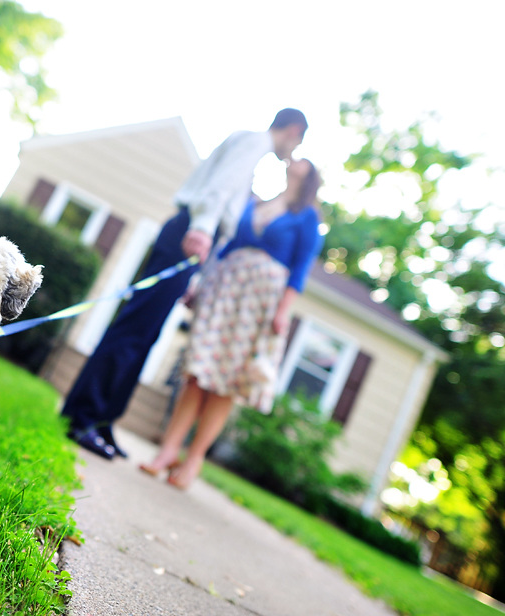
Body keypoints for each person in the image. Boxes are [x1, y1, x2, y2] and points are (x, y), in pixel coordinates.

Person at [61, 109, 309, 459]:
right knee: (136, 329)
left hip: (192, 241)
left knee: (147, 335)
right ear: (293, 130)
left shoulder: (254, 150)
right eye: (298, 141)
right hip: (188, 234)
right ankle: (84, 417)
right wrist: (202, 229)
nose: (293, 150)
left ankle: (103, 419)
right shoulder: (254, 142)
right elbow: (218, 189)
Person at [139, 157, 323, 489]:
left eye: (302, 161)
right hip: (223, 289)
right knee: (197, 372)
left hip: (261, 303)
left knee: (227, 383)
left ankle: (193, 458)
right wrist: (201, 284)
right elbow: (227, 248)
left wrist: (283, 311)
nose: (294, 160)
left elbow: (300, 270)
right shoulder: (258, 203)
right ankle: (168, 451)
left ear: (309, 176)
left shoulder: (307, 217)